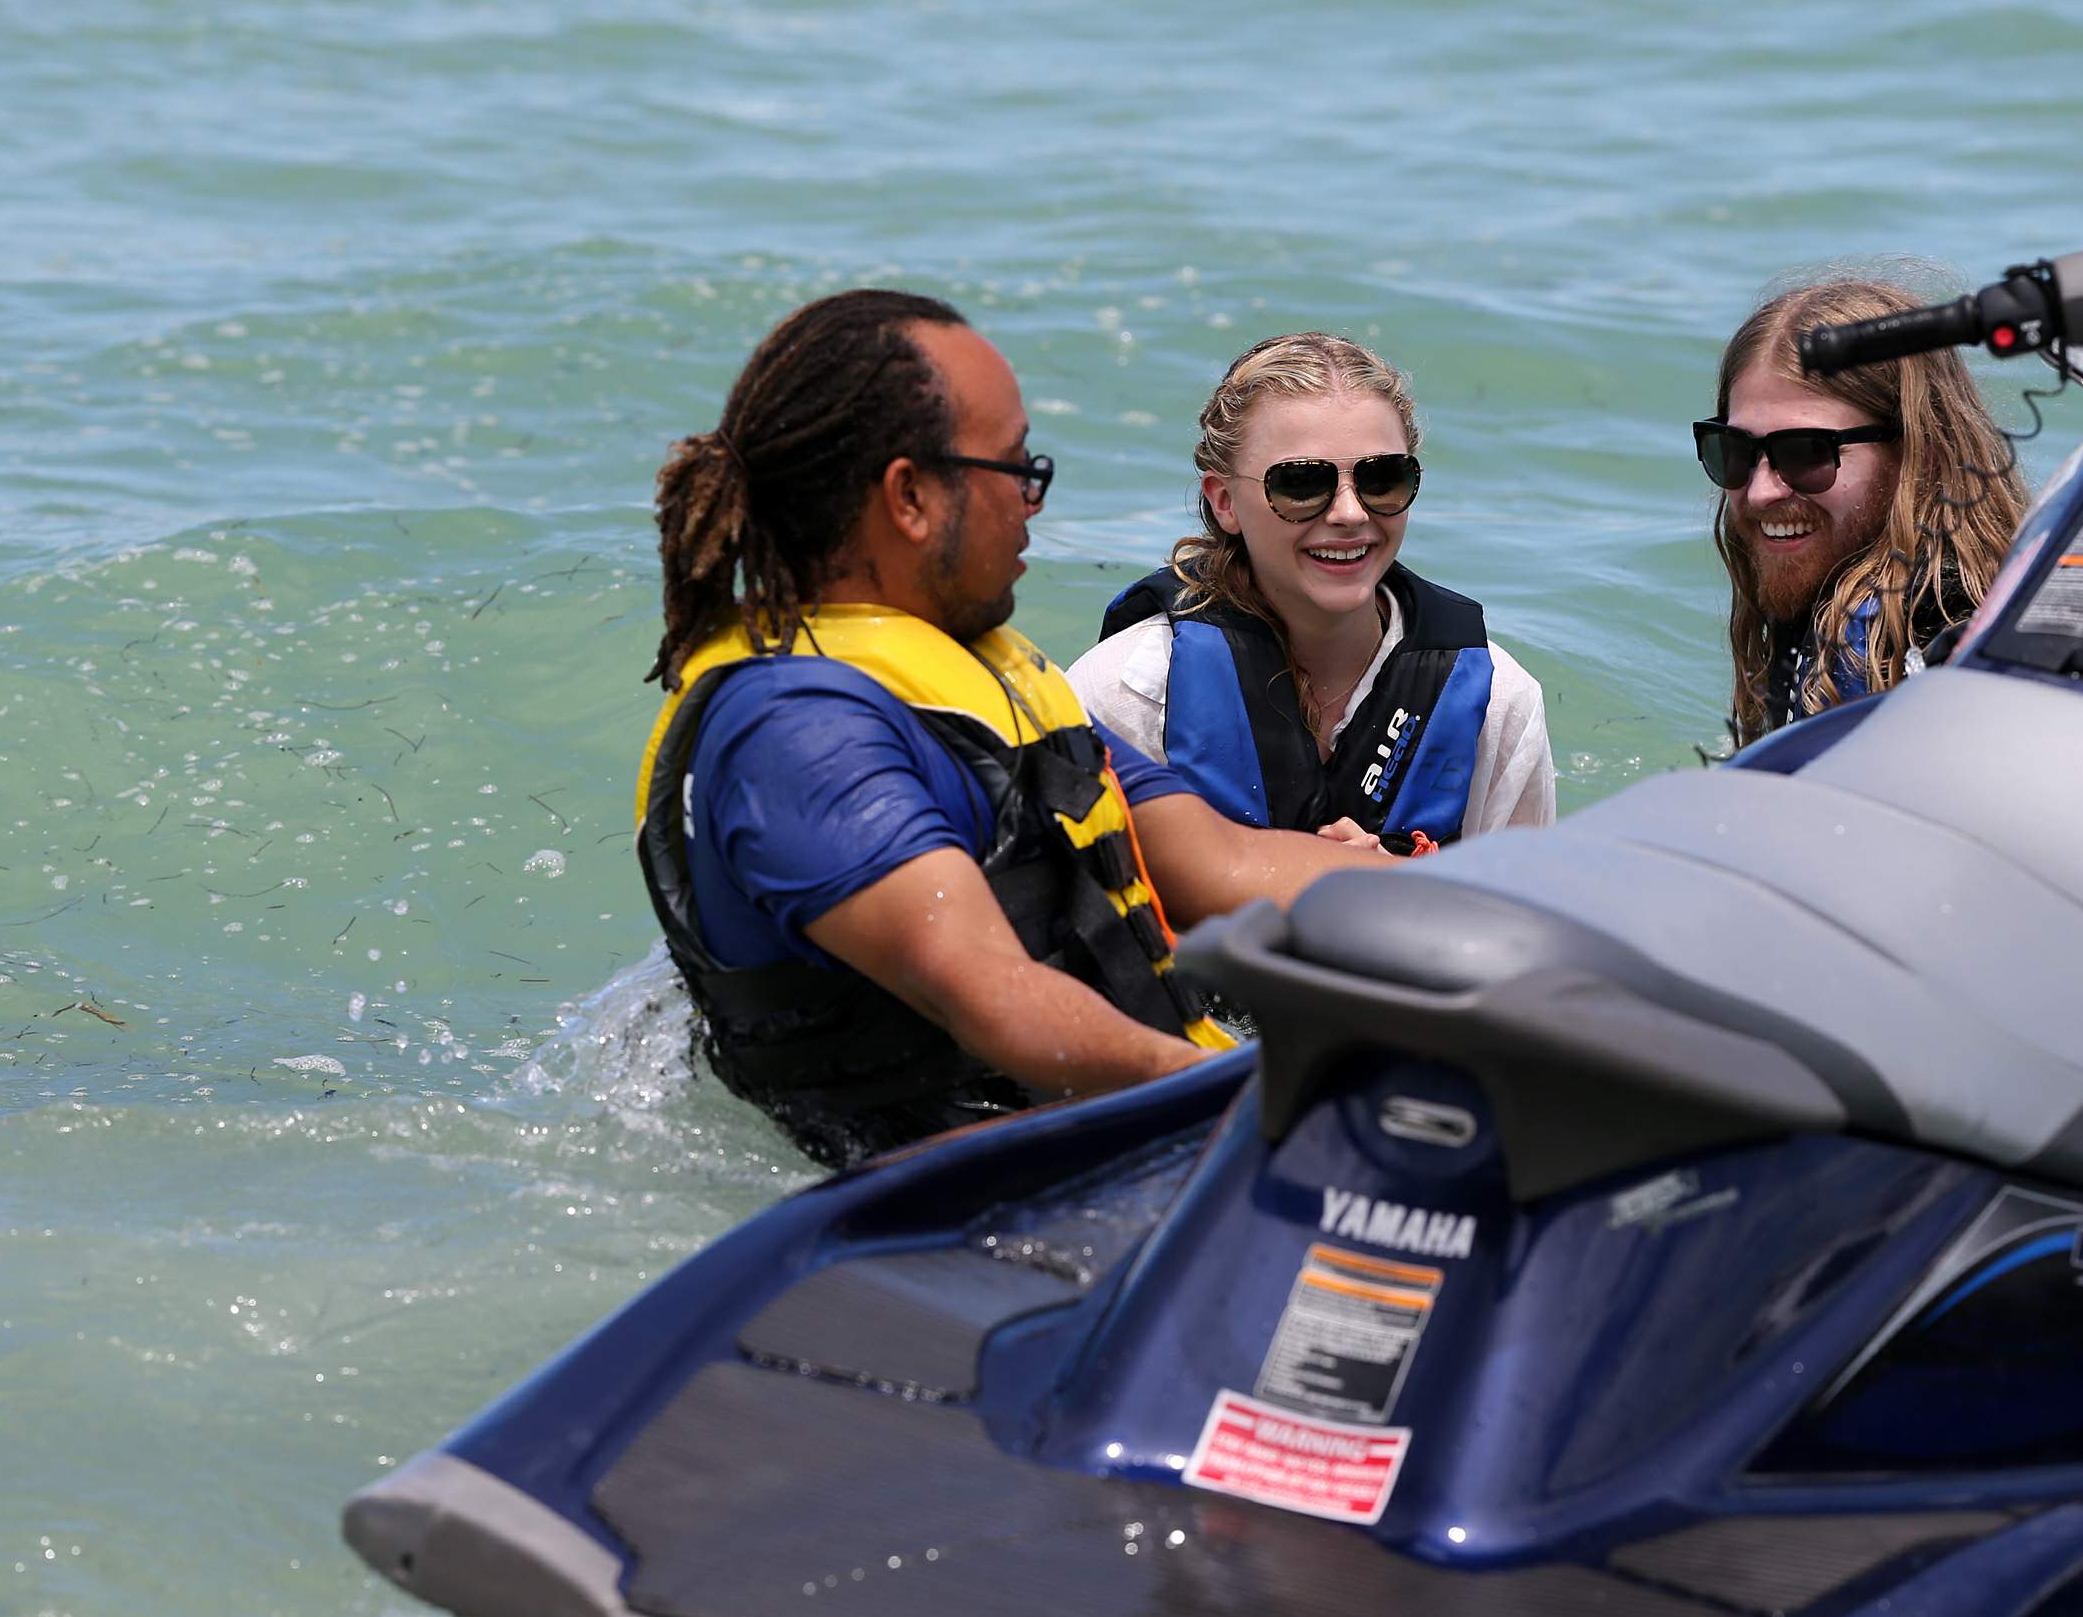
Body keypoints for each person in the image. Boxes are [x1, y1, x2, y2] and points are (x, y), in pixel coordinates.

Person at [634, 291, 1385, 1166]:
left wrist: (1477, 897)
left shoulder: (988, 687)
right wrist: (1269, 1101)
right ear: (911, 497)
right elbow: (996, 999)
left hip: (1127, 1143)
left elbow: (1225, 861)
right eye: (1015, 469)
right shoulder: (793, 734)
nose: (1033, 503)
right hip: (962, 1208)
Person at [1070, 333, 1555, 847]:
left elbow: (1528, 896)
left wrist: (1394, 881)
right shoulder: (1125, 695)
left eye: (1382, 478)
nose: (1350, 513)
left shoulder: (1498, 702)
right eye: (1300, 484)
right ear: (1224, 501)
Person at [1700, 278, 2028, 747]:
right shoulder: (1824, 592)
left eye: (1807, 453)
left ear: (1921, 454)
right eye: (1735, 450)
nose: (1759, 492)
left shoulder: (1934, 636)